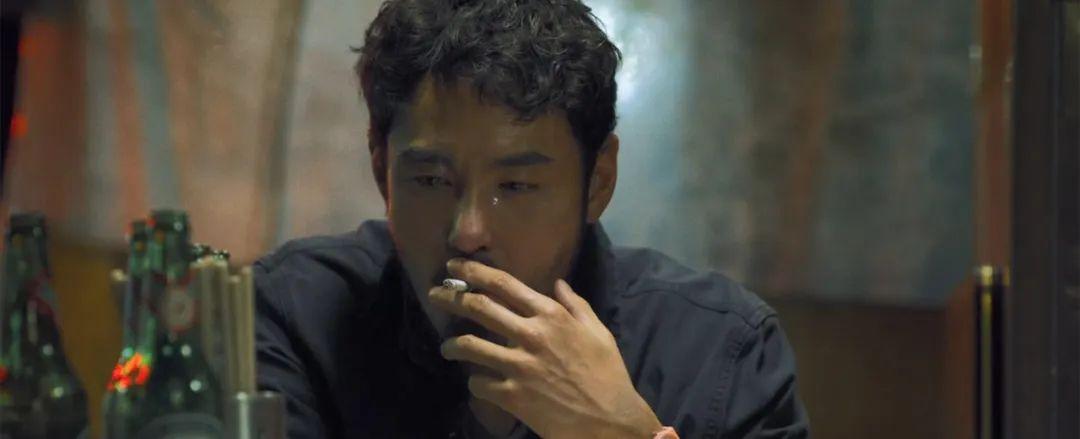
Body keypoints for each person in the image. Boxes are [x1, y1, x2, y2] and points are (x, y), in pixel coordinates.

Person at [254, 0, 809, 437]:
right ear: (382, 169)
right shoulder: (297, 316)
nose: (468, 233)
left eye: (516, 187)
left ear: (598, 182)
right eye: (431, 181)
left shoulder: (721, 349)